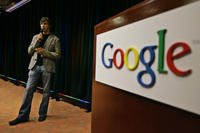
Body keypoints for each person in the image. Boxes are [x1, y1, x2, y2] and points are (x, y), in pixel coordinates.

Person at [9, 17, 61, 126]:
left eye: (45, 24)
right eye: (41, 24)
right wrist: (37, 41)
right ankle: (23, 116)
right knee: (28, 90)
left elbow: (58, 55)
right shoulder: (36, 37)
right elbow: (29, 51)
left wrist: (44, 52)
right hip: (34, 67)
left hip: (47, 68)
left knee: (46, 92)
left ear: (49, 25)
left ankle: (42, 114)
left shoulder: (55, 39)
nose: (43, 26)